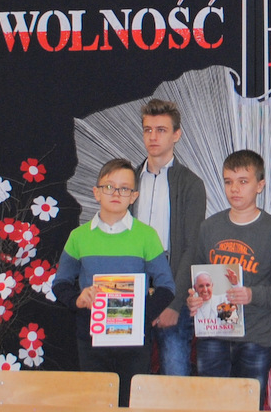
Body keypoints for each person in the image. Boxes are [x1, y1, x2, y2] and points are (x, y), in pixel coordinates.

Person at [53, 158, 175, 407]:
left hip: (134, 341)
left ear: (134, 196)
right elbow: (60, 283)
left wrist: (141, 316)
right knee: (95, 402)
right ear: (96, 192)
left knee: (131, 402)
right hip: (91, 338)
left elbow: (167, 287)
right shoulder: (78, 237)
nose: (116, 193)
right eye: (109, 187)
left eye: (124, 188)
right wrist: (78, 300)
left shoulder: (147, 236)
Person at [187, 150, 271, 409]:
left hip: (255, 337)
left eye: (243, 181)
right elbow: (195, 279)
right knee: (211, 406)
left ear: (260, 185)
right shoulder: (209, 228)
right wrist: (192, 299)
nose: (234, 189)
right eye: (228, 181)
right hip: (212, 335)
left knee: (247, 405)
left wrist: (252, 295)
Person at [133, 98, 206, 376]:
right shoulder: (128, 181)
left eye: (161, 130)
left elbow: (192, 247)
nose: (153, 136)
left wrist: (174, 304)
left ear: (176, 135)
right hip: (132, 290)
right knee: (131, 376)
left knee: (174, 376)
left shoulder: (191, 184)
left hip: (172, 286)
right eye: (148, 130)